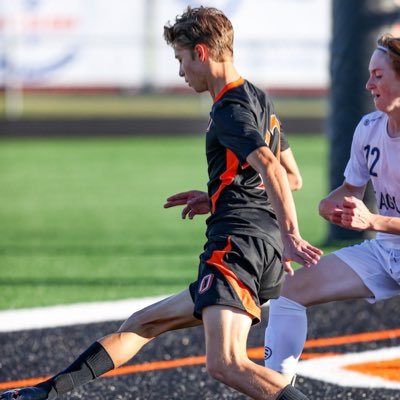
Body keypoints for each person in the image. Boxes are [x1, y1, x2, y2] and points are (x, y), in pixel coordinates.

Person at [0, 6, 322, 400]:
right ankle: (44, 393)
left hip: (236, 246)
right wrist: (218, 194)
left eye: (181, 59)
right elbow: (293, 177)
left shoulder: (230, 109)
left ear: (201, 53)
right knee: (141, 323)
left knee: (225, 363)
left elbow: (272, 167)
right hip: (257, 248)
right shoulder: (258, 97)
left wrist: (292, 235)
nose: (180, 72)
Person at [264, 33, 400, 384]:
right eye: (369, 74)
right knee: (289, 290)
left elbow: (374, 219)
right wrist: (330, 204)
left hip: (385, 237)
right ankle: (277, 391)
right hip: (387, 252)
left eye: (379, 75)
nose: (369, 83)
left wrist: (372, 220)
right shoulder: (368, 128)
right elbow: (351, 188)